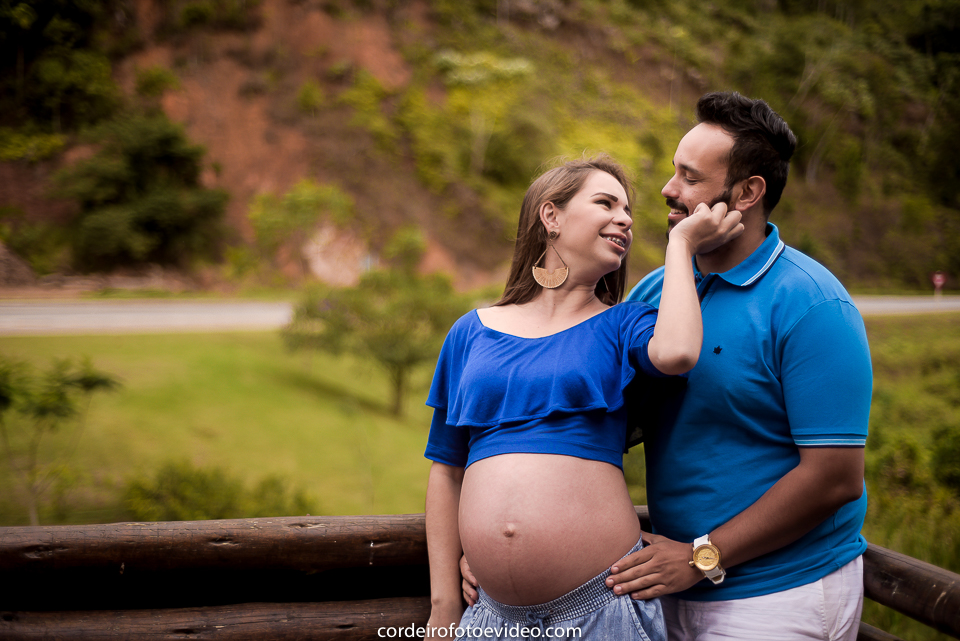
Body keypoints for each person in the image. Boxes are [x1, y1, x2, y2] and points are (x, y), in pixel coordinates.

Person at [424, 154, 743, 640]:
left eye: (628, 210)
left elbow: (678, 353)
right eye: (606, 203)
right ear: (550, 216)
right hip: (489, 616)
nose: (625, 219)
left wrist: (680, 246)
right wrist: (444, 604)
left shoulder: (622, 324)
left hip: (600, 608)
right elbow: (446, 471)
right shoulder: (470, 333)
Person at [604, 92, 873, 639]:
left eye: (690, 177)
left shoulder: (813, 304)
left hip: (780, 592)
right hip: (673, 583)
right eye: (674, 171)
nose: (668, 189)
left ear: (748, 193)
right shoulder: (658, 291)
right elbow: (612, 422)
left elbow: (835, 478)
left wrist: (702, 556)